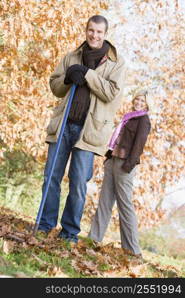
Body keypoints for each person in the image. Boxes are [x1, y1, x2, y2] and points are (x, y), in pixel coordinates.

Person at [38, 15, 126, 243]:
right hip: (63, 126)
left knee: (78, 184)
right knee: (51, 178)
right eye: (91, 30)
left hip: (89, 132)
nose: (94, 35)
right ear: (86, 30)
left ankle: (69, 234)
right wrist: (67, 78)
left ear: (105, 34)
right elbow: (55, 87)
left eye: (99, 32)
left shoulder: (117, 64)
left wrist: (88, 74)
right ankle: (45, 225)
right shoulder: (72, 56)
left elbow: (111, 93)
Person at [88, 90, 151, 257]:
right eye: (137, 99)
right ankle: (93, 239)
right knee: (104, 202)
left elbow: (139, 145)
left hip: (125, 165)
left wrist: (128, 166)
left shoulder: (143, 120)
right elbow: (116, 138)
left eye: (142, 100)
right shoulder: (128, 116)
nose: (138, 102)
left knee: (125, 206)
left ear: (147, 104)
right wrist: (108, 157)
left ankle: (132, 250)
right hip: (113, 161)